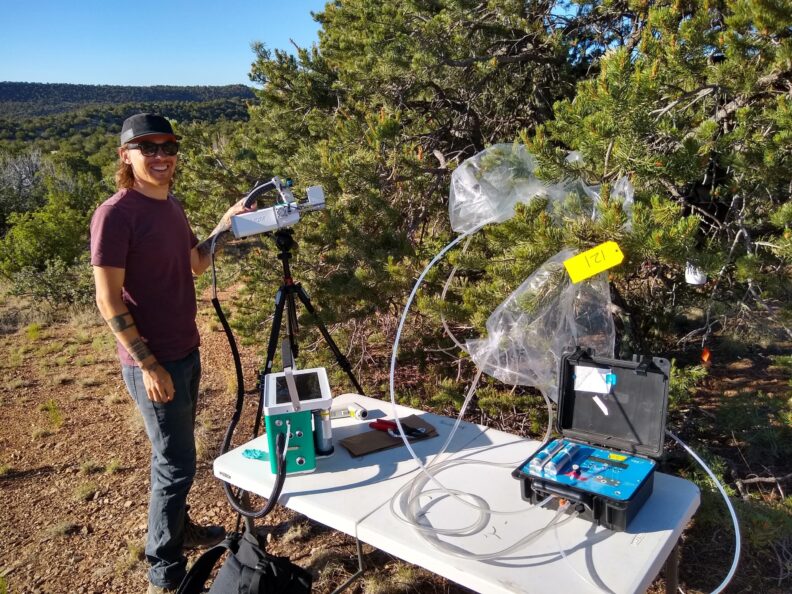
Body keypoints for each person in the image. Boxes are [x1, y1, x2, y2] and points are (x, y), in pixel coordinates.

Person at [90, 113, 252, 594]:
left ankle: (179, 529)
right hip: (154, 361)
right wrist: (148, 364)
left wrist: (225, 225)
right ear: (126, 155)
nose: (161, 156)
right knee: (175, 463)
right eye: (148, 147)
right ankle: (165, 570)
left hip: (185, 349)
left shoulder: (172, 207)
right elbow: (108, 300)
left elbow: (195, 263)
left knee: (178, 454)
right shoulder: (115, 214)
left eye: (169, 146)